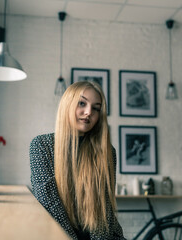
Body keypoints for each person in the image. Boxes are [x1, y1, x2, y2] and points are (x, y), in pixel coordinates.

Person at [30, 81, 126, 240]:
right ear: (67, 104)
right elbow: (49, 204)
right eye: (82, 103)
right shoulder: (42, 146)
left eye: (96, 108)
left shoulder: (108, 152)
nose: (89, 112)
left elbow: (105, 208)